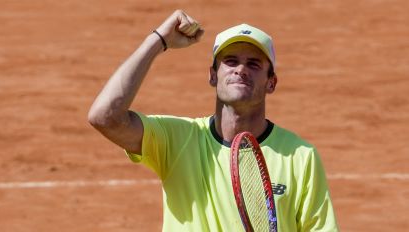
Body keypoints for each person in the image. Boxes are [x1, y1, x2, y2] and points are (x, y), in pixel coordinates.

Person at [88, 9, 339, 232]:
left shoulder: (300, 156)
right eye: (230, 61)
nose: (240, 69)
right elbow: (104, 117)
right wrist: (159, 40)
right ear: (212, 75)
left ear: (271, 82)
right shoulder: (177, 139)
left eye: (253, 64)